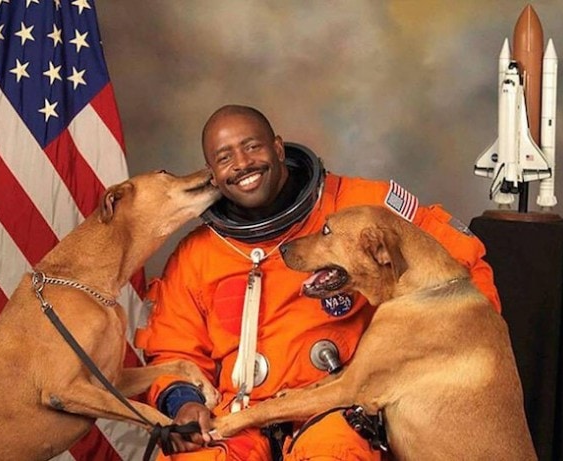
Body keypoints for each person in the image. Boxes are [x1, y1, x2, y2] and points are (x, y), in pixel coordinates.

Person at [135, 104, 501, 461]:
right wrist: (184, 401)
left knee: (333, 452)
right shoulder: (195, 256)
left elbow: (460, 265)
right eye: (225, 157)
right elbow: (172, 350)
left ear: (278, 148)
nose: (243, 164)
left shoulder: (362, 208)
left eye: (252, 146)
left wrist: (447, 370)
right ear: (213, 174)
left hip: (337, 409)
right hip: (237, 416)